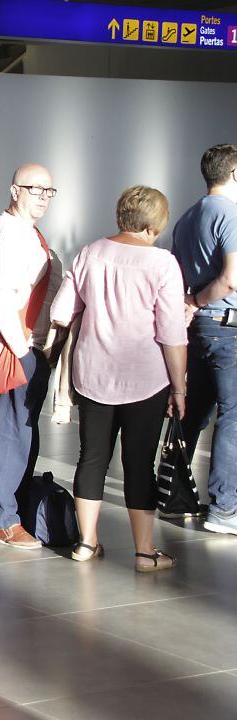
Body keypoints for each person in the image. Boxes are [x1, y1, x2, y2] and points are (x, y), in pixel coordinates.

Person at [50, 186, 186, 571]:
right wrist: (179, 387)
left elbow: (62, 311)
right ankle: (145, 552)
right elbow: (172, 335)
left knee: (91, 457)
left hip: (93, 372)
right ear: (153, 223)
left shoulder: (91, 252)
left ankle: (86, 543)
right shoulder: (163, 264)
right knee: (139, 463)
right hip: (146, 378)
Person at [0, 163, 64, 549]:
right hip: (20, 349)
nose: (43, 197)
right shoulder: (7, 235)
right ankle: (3, 519)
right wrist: (21, 351)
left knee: (23, 433)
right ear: (15, 190)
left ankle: (13, 511)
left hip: (33, 348)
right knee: (11, 433)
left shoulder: (29, 233)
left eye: (49, 191)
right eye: (35, 189)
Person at [172, 144, 237, 536]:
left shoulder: (188, 216)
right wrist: (198, 300)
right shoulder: (229, 213)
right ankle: (224, 508)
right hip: (226, 325)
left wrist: (192, 304)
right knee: (233, 416)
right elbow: (231, 278)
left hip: (199, 327)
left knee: (194, 413)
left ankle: (173, 495)